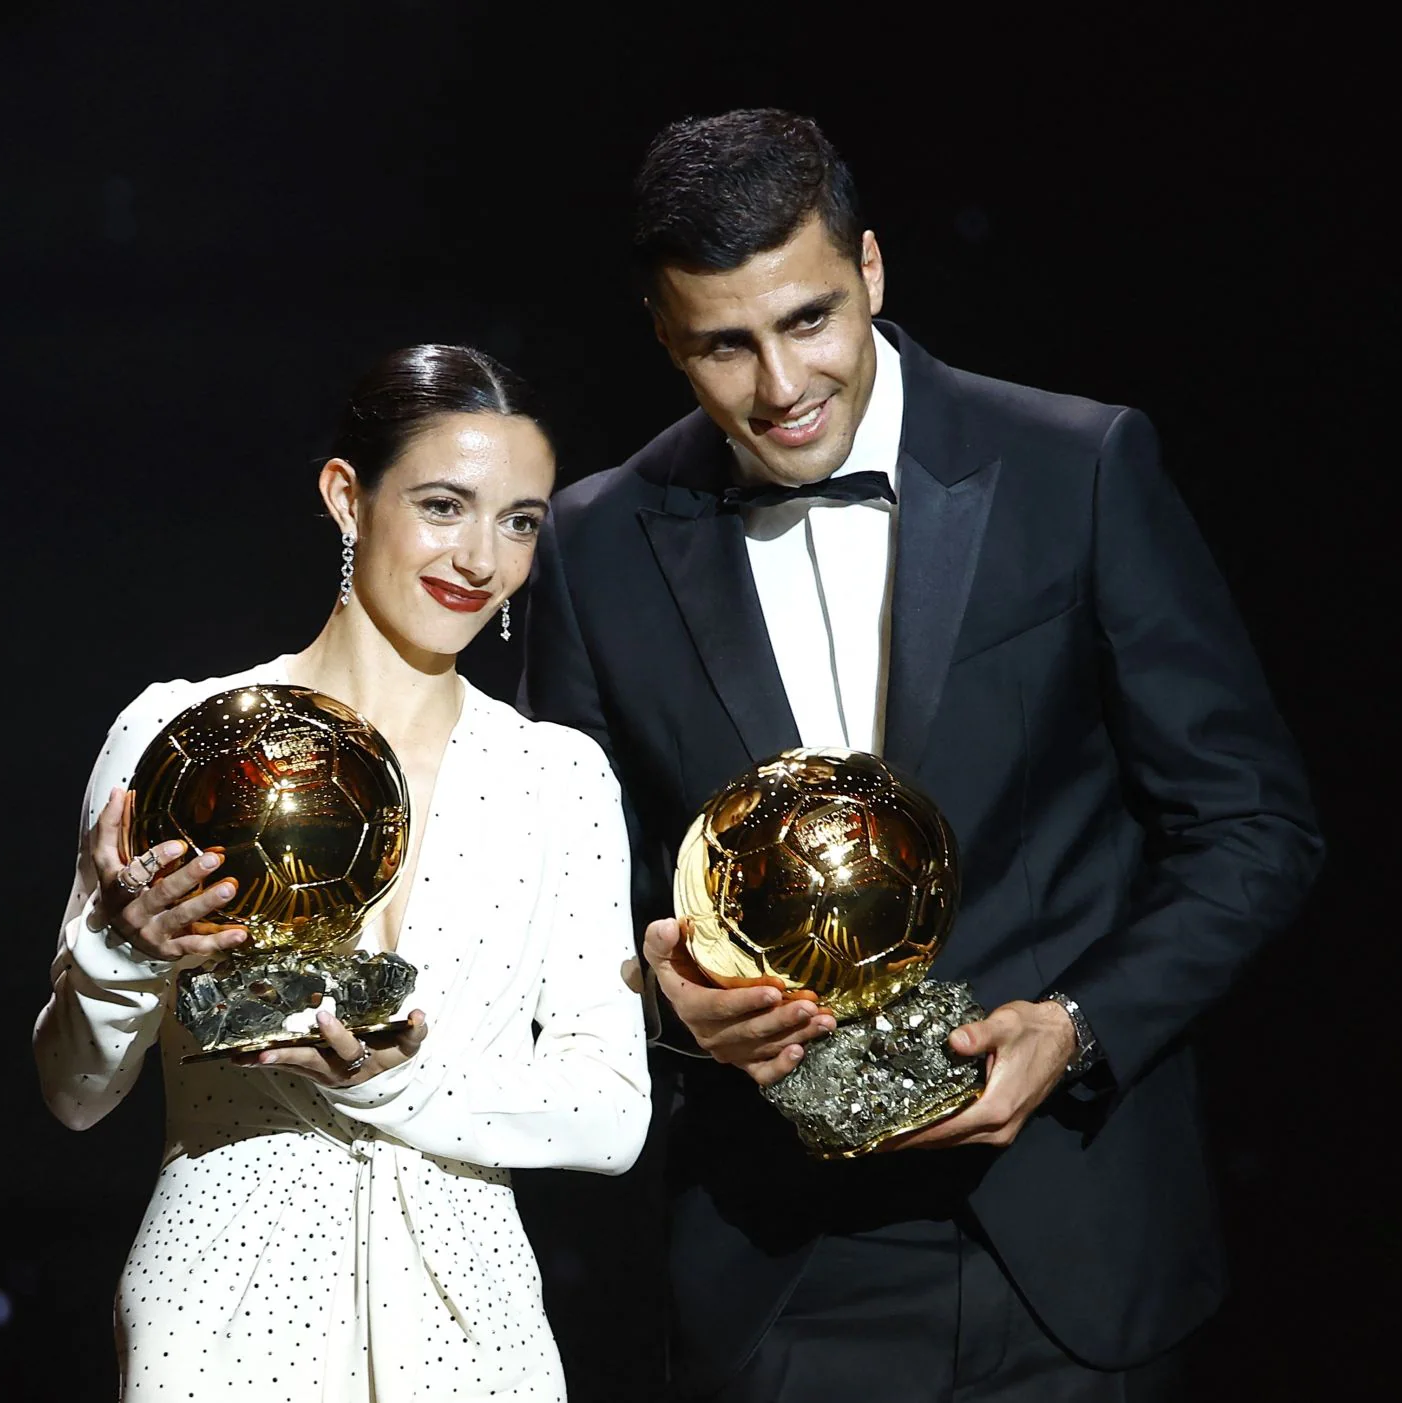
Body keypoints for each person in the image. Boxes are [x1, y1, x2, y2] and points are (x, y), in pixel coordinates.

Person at [520, 110, 1324, 1401]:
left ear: (874, 270)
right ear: (664, 335)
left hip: (1075, 1243)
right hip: (778, 1267)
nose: (781, 385)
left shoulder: (1080, 465)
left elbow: (1251, 826)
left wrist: (1078, 1023)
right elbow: (565, 904)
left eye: (810, 319)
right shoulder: (598, 541)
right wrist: (672, 998)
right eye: (724, 344)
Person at [34, 344, 651, 1402]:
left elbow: (611, 1112)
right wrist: (120, 951)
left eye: (520, 521)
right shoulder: (180, 737)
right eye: (446, 505)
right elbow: (75, 1092)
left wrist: (398, 1078)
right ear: (345, 497)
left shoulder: (558, 778)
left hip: (476, 1339)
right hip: (221, 1324)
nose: (483, 558)